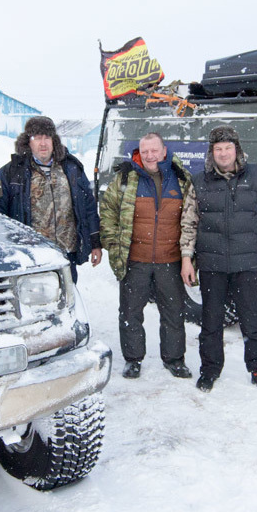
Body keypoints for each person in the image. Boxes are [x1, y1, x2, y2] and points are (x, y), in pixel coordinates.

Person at [180, 125, 257, 394]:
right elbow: (189, 222)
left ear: (236, 150)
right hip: (212, 265)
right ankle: (210, 370)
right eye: (218, 149)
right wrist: (187, 258)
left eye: (228, 148)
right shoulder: (199, 182)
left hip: (247, 263)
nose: (223, 153)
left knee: (253, 321)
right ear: (211, 153)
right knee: (211, 322)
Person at [99, 132, 195, 380]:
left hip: (170, 260)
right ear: (139, 153)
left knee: (174, 312)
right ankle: (133, 359)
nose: (150, 155)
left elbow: (192, 219)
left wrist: (189, 255)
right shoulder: (125, 179)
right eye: (145, 151)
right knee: (130, 313)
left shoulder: (182, 180)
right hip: (135, 260)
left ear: (164, 151)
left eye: (155, 150)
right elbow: (108, 209)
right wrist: (112, 242)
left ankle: (174, 359)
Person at [0, 115, 102, 281]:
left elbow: (88, 207)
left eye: (47, 137)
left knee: (67, 300)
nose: (43, 143)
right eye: (37, 138)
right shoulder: (11, 172)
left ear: (54, 140)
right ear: (28, 141)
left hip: (66, 254)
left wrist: (95, 243)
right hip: (32, 256)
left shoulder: (71, 168)